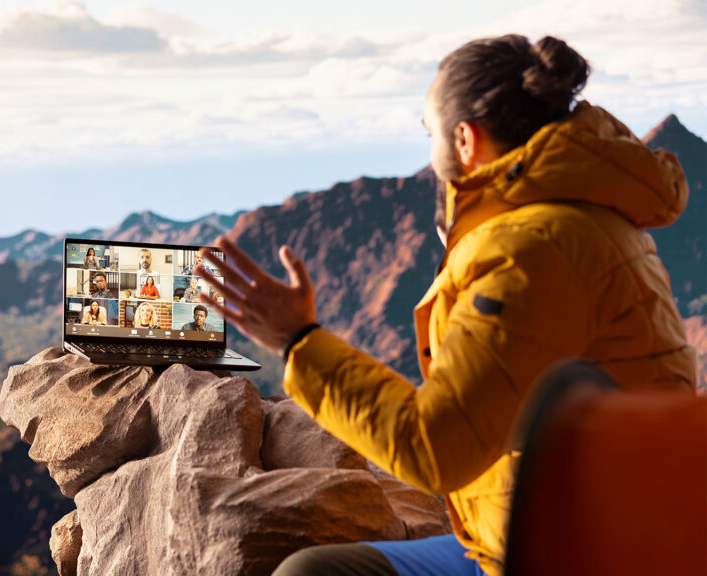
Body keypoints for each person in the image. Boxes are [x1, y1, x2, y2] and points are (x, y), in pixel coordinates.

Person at [193, 34, 695, 576]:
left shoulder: (533, 247)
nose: (427, 151)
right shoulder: (579, 216)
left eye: (428, 132)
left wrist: (297, 340)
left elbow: (434, 451)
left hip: (575, 552)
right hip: (525, 533)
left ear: (464, 140)